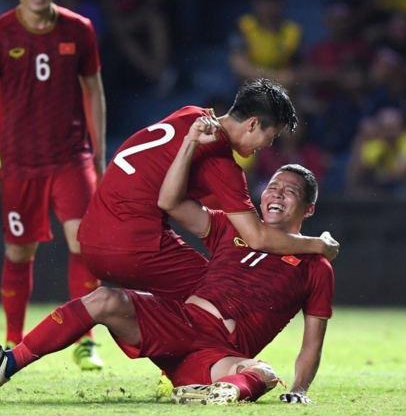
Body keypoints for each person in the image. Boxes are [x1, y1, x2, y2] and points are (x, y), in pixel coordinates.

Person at [0, 116, 335, 405]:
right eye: (273, 186)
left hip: (217, 354)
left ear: (309, 208)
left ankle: (222, 392)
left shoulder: (316, 268)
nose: (277, 194)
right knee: (105, 299)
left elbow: (312, 343)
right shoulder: (230, 226)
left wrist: (300, 388)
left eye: (290, 192)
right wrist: (190, 144)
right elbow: (171, 203)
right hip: (180, 324)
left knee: (263, 373)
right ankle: (8, 362)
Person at [0, 0, 107, 370]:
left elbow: (94, 92)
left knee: (84, 243)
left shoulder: (79, 29)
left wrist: (98, 157)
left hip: (71, 158)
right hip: (20, 163)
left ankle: (85, 340)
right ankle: (11, 341)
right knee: (19, 252)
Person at [78, 78, 339, 304]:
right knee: (220, 296)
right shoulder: (221, 163)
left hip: (90, 243)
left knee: (185, 300)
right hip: (132, 247)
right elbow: (256, 238)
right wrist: (317, 244)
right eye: (270, 137)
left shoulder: (190, 114)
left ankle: (104, 310)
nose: (268, 145)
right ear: (252, 124)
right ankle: (204, 362)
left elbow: (217, 216)